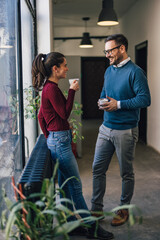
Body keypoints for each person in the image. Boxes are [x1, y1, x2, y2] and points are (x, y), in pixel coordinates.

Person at [32, 52, 114, 239]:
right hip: (60, 142)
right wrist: (72, 91)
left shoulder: (48, 87)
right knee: (75, 187)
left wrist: (51, 135)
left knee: (66, 186)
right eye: (65, 65)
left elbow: (41, 116)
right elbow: (64, 113)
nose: (67, 68)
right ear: (55, 68)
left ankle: (71, 224)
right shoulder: (51, 89)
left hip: (57, 140)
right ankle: (93, 228)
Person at [91, 34, 151, 226]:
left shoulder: (136, 72)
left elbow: (145, 99)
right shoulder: (109, 71)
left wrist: (119, 105)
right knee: (97, 169)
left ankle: (123, 210)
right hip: (105, 128)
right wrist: (102, 101)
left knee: (126, 173)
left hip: (126, 130)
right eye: (106, 51)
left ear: (122, 49)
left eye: (110, 50)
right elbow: (104, 92)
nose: (107, 54)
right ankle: (96, 209)